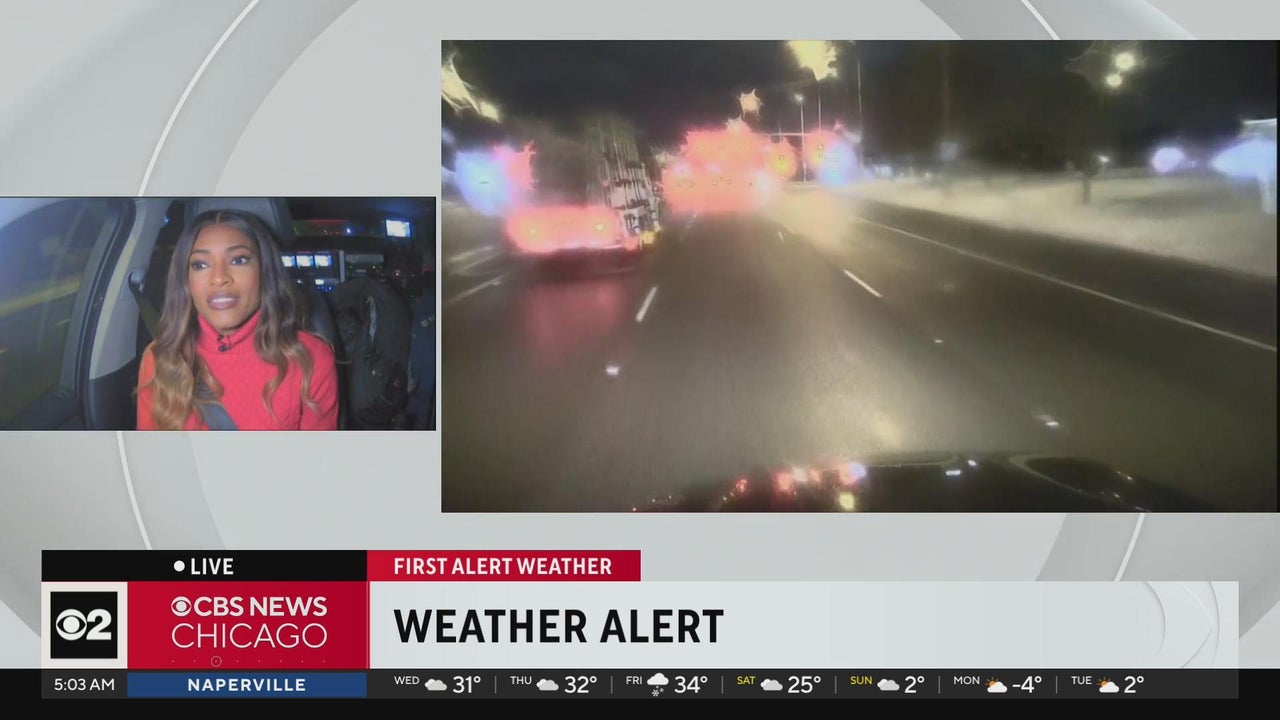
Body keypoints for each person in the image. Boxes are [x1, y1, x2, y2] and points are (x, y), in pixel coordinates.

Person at [136, 209, 338, 430]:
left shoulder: (311, 357)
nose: (219, 278)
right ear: (186, 281)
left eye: (239, 260)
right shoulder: (161, 358)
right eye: (200, 265)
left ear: (264, 271)